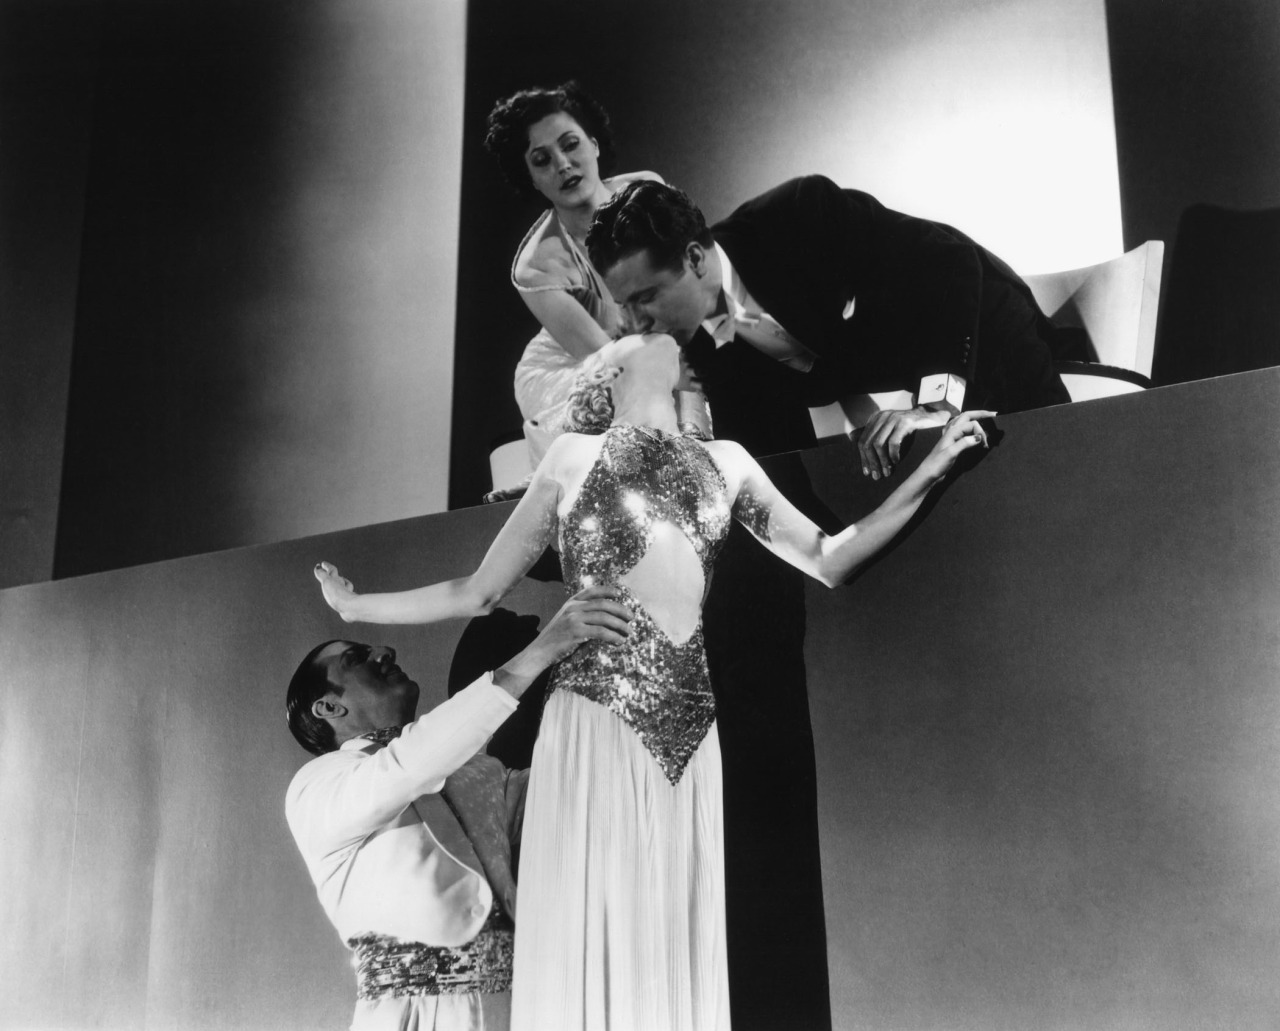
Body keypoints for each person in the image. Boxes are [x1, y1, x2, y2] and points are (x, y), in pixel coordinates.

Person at [314, 333, 994, 1031]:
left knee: (677, 940)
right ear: (608, 373)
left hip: (693, 732)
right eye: (641, 332)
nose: (669, 334)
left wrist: (933, 467)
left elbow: (829, 558)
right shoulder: (570, 457)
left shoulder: (729, 463)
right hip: (595, 718)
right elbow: (478, 592)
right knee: (598, 923)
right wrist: (358, 607)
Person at [284, 586, 632, 1031]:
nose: (384, 651)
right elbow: (407, 766)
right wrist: (539, 652)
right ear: (329, 707)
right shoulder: (316, 787)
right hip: (410, 1016)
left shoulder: (482, 772)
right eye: (357, 658)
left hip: (520, 1010)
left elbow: (576, 790)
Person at [586, 176, 1073, 479]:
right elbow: (770, 459)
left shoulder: (802, 214)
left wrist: (934, 404)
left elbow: (950, 263)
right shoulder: (697, 341)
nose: (636, 323)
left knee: (1056, 472)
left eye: (645, 297)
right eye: (625, 305)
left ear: (695, 259)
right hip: (902, 383)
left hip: (985, 326)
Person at [484, 82, 706, 469]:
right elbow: (613, 364)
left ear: (594, 144)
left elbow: (697, 280)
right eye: (542, 160)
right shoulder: (536, 266)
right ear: (531, 178)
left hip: (655, 339)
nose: (562, 165)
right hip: (579, 366)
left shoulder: (647, 190)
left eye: (570, 145)